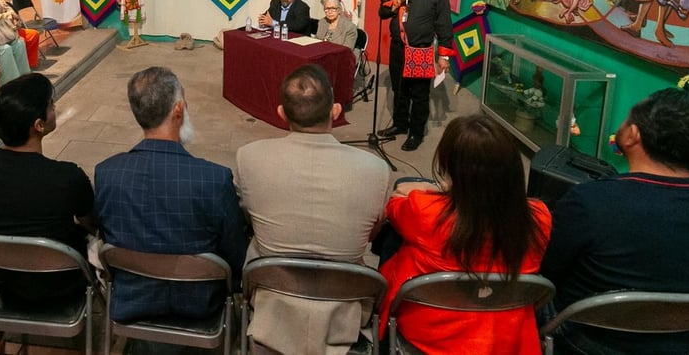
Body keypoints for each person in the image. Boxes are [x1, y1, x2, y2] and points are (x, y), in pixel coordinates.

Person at [540, 83, 689, 355]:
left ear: (633, 136)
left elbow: (547, 273)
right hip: (677, 344)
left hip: (583, 341)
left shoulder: (589, 201)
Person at [236, 65, 390, 354]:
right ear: (335, 111)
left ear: (281, 113)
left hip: (273, 301)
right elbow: (372, 234)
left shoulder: (250, 158)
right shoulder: (375, 170)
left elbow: (247, 218)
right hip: (343, 308)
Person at [378, 115, 551, 354]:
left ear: (451, 168)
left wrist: (435, 190)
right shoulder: (539, 217)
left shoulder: (424, 212)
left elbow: (393, 207)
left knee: (391, 236)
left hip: (431, 337)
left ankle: (380, 323)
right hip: (506, 338)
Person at [94, 66, 248, 322]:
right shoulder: (214, 179)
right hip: (201, 304)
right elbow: (237, 256)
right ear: (178, 109)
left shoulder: (107, 173)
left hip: (133, 301)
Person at [0, 73, 95, 304]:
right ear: (39, 125)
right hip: (62, 284)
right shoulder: (67, 176)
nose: (55, 109)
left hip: (3, 277)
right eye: (51, 106)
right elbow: (92, 223)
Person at [377, 0, 455, 151]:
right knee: (399, 89)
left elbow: (445, 27)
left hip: (420, 51)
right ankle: (400, 124)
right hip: (397, 49)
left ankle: (416, 133)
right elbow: (382, 13)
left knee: (419, 95)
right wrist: (398, 0)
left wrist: (444, 57)